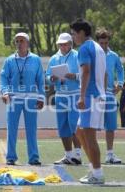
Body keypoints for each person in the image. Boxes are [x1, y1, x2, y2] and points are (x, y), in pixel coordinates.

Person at [70, 18, 106, 184]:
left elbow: (86, 72)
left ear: (82, 33)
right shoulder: (98, 47)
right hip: (96, 95)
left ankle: (97, 174)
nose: (73, 37)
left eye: (74, 33)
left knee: (89, 136)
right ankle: (93, 169)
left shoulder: (85, 48)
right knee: (79, 132)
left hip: (91, 97)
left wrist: (82, 96)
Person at [0, 32, 45, 166]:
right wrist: (5, 92)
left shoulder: (36, 59)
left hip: (31, 98)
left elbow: (40, 80)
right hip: (14, 98)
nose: (19, 44)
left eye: (22, 41)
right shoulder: (9, 60)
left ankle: (34, 157)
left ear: (27, 43)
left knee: (31, 128)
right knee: (12, 128)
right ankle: (11, 157)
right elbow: (3, 78)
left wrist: (41, 97)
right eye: (17, 41)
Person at [46, 33, 82, 165]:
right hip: (60, 94)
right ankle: (68, 155)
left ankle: (77, 155)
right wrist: (52, 79)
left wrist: (75, 76)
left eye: (65, 44)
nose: (62, 46)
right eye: (60, 44)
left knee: (75, 125)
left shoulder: (77, 56)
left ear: (70, 44)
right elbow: (48, 76)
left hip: (75, 94)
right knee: (62, 126)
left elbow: (85, 74)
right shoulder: (54, 59)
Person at [95, 28, 125, 164]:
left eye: (106, 43)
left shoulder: (113, 56)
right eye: (101, 43)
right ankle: (92, 154)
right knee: (91, 126)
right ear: (97, 42)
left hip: (109, 94)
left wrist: (120, 84)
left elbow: (120, 70)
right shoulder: (92, 55)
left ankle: (109, 154)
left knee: (111, 126)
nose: (104, 45)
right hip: (94, 94)